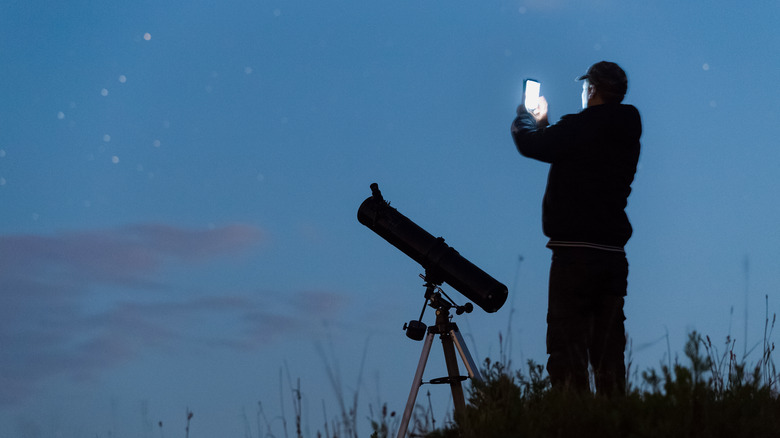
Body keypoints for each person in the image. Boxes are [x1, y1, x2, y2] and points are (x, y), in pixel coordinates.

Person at [510, 61, 642, 395]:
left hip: (574, 257)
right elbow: (576, 147)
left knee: (567, 350)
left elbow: (533, 145)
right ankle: (614, 423)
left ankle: (574, 423)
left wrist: (526, 118)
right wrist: (547, 126)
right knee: (609, 352)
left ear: (593, 89)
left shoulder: (580, 127)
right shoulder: (626, 128)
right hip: (612, 257)